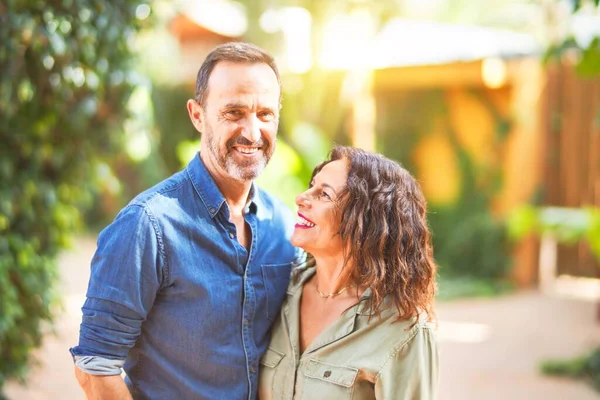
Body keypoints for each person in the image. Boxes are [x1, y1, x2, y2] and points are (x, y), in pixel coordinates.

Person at [70, 42, 297, 399]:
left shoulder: (284, 227)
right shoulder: (147, 225)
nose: (252, 132)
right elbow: (95, 366)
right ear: (197, 114)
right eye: (234, 112)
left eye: (265, 114)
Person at [258, 146, 439, 399]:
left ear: (364, 220)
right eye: (312, 186)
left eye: (323, 194)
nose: (301, 198)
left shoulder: (403, 329)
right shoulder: (278, 291)